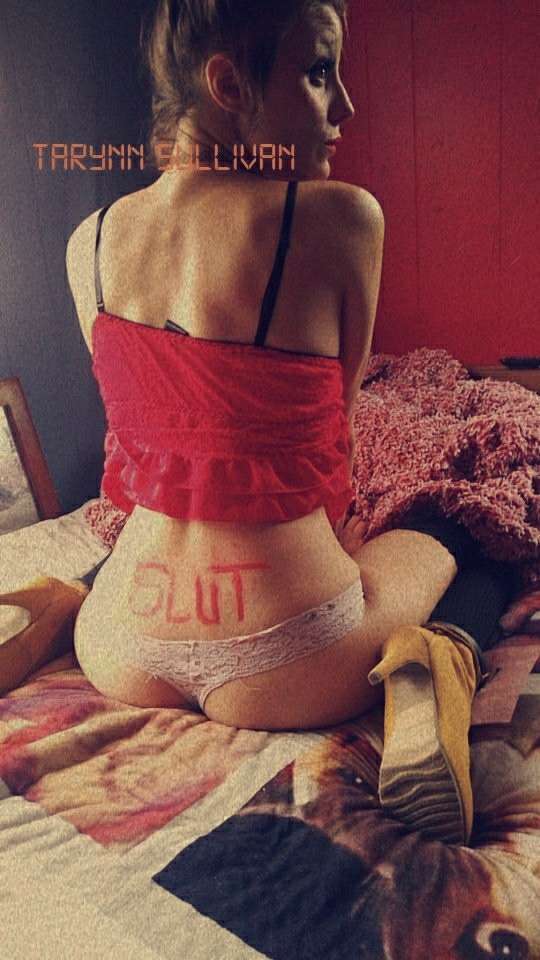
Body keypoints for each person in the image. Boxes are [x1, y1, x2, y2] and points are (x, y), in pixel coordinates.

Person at [63, 0, 517, 845]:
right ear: (229, 84)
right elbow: (333, 442)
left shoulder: (87, 240)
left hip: (118, 643)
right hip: (296, 660)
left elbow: (152, 449)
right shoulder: (342, 218)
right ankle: (433, 673)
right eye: (318, 73)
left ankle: (39, 610)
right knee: (467, 518)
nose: (345, 106)